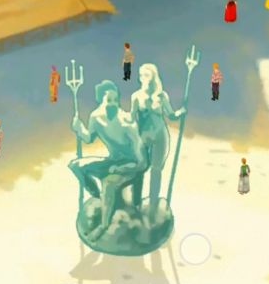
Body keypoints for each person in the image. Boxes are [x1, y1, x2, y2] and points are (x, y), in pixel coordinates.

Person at [69, 80, 149, 241]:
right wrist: (79, 128)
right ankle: (99, 196)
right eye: (108, 100)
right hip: (112, 161)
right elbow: (89, 138)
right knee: (75, 165)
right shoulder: (95, 117)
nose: (113, 104)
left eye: (115, 100)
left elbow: (142, 162)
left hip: (131, 165)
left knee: (109, 183)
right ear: (100, 100)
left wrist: (121, 169)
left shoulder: (127, 122)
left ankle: (103, 226)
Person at [130, 64, 186, 221]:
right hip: (143, 137)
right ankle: (136, 204)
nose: (144, 78)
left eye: (147, 75)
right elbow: (132, 118)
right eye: (141, 75)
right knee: (139, 169)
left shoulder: (161, 96)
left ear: (153, 78)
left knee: (156, 170)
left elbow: (171, 115)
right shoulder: (136, 96)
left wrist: (181, 112)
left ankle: (153, 206)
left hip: (160, 136)